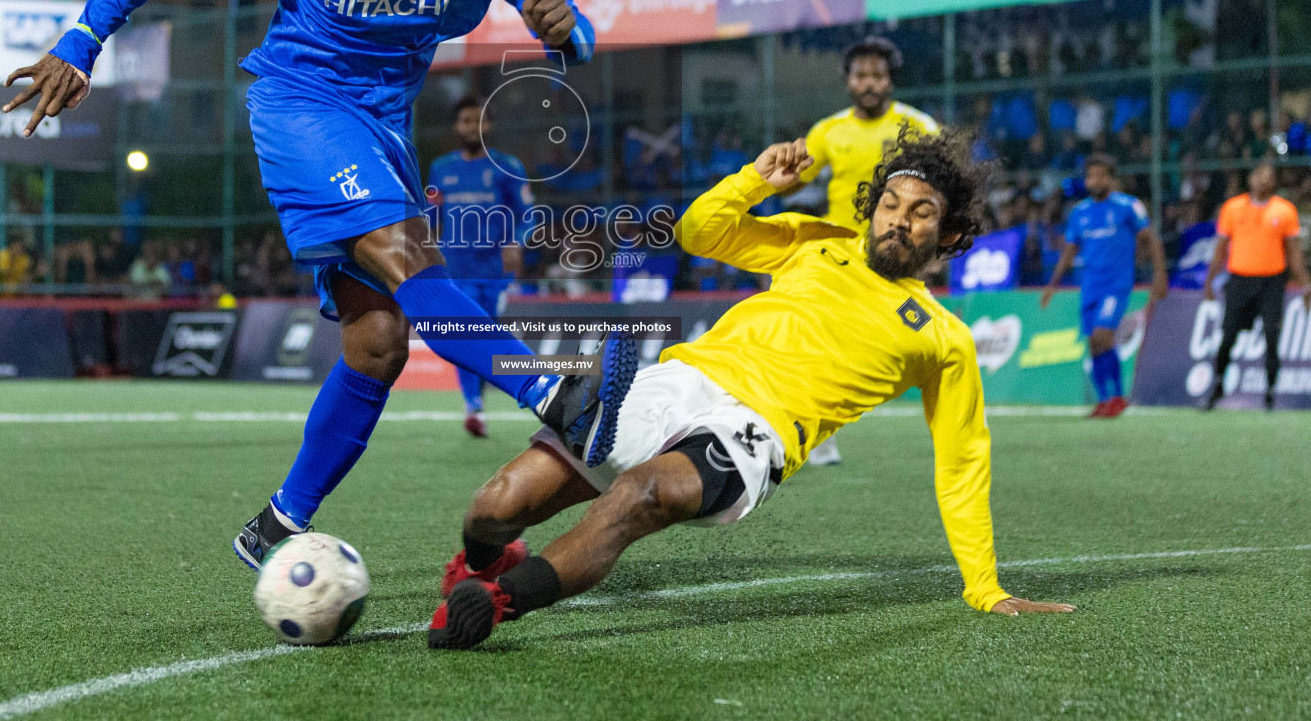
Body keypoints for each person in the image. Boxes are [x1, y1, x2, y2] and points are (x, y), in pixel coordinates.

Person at [0, 0, 628, 568]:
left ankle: (276, 525)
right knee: (408, 258)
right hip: (301, 107)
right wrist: (82, 41)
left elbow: (580, 35)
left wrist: (566, 33)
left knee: (378, 343)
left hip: (384, 130)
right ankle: (554, 395)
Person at [428, 128, 1074, 650]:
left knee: (639, 493)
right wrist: (755, 180)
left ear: (952, 234)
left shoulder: (944, 338)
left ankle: (497, 603)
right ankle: (482, 564)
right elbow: (698, 233)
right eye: (890, 205)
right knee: (495, 505)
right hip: (683, 379)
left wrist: (985, 587)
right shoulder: (817, 243)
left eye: (921, 212)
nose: (897, 221)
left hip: (757, 432)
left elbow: (962, 464)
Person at [793, 36, 939, 465]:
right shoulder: (828, 131)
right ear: (848, 82)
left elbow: (942, 186)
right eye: (861, 75)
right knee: (823, 344)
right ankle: (819, 435)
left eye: (877, 75)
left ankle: (945, 424)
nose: (869, 83)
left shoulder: (919, 126)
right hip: (839, 257)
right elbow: (793, 179)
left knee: (921, 343)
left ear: (889, 80)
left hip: (898, 254)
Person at [426, 94, 534, 438]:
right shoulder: (441, 169)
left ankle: (495, 396)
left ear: (489, 126)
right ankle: (473, 404)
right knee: (466, 332)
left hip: (495, 271)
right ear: (457, 126)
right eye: (467, 121)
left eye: (480, 121)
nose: (474, 127)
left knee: (487, 334)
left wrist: (517, 241)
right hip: (456, 267)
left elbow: (528, 215)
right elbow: (430, 217)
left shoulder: (509, 167)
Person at [1040, 155, 1167, 418]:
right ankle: (1104, 400)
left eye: (1100, 176)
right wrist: (1053, 284)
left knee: (1103, 335)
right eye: (1090, 176)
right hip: (1090, 285)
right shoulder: (1080, 212)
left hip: (1117, 284)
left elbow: (1150, 239)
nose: (1093, 181)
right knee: (1093, 343)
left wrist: (1159, 274)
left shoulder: (1127, 206)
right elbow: (1069, 250)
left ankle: (1119, 397)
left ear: (1111, 178)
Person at [1202, 160, 1311, 410]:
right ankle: (1218, 385)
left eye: (1268, 175)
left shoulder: (1284, 211)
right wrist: (1209, 282)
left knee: (1273, 335)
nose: (1263, 179)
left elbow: (1294, 253)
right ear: (1250, 178)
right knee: (1228, 334)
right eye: (1259, 174)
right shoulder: (1233, 208)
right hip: (1239, 280)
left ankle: (1270, 393)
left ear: (1274, 181)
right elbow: (1220, 249)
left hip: (1272, 282)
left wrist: (1305, 285)